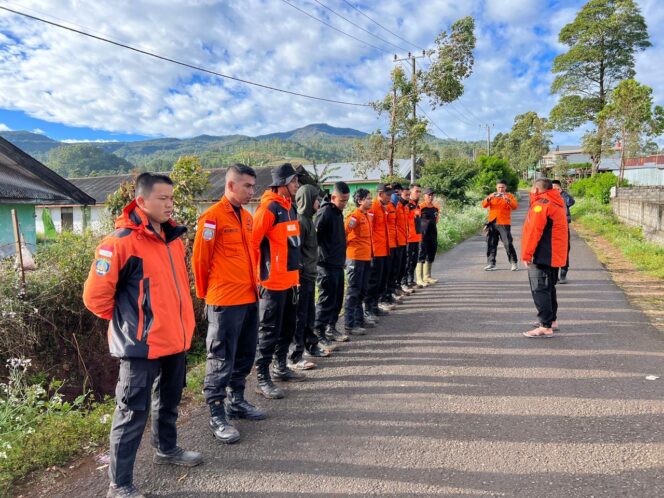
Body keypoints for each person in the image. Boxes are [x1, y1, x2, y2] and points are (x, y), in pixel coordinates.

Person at [83, 173, 202, 498]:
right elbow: (96, 299)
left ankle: (167, 449)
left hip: (174, 342)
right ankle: (119, 485)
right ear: (141, 201)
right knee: (132, 413)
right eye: (162, 198)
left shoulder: (173, 239)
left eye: (171, 198)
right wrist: (132, 324)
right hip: (140, 347)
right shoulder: (119, 243)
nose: (169, 204)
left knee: (169, 401)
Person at [192, 164, 265, 446]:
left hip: (248, 297)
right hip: (224, 300)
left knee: (246, 353)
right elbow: (200, 261)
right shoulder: (211, 218)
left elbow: (252, 255)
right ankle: (216, 415)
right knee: (220, 358)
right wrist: (207, 295)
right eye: (247, 186)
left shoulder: (246, 218)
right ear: (231, 185)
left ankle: (237, 401)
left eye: (253, 186)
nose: (252, 191)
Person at [252, 163, 303, 399]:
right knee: (269, 331)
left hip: (291, 281)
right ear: (282, 184)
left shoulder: (290, 208)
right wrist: (257, 278)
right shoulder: (268, 209)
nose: (297, 185)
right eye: (293, 181)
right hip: (272, 283)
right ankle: (262, 377)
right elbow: (253, 244)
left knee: (288, 328)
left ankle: (280, 367)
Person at [290, 184, 331, 369]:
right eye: (316, 199)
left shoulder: (308, 220)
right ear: (308, 200)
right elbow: (295, 252)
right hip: (302, 277)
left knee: (309, 314)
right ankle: (295, 356)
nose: (319, 202)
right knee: (299, 316)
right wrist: (298, 277)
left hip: (310, 274)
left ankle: (311, 346)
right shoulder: (300, 222)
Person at [521, 178, 569, 338]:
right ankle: (551, 320)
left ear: (536, 190)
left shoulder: (541, 205)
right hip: (554, 253)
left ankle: (545, 326)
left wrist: (527, 254)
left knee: (540, 289)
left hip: (543, 254)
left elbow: (534, 232)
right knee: (549, 288)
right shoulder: (557, 202)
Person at [314, 182, 351, 342]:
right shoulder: (325, 212)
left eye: (346, 201)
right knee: (326, 300)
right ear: (333, 197)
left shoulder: (337, 212)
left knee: (337, 299)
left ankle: (331, 328)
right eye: (342, 200)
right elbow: (314, 238)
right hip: (325, 265)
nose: (344, 204)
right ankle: (318, 332)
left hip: (337, 264)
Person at [344, 188, 374, 335]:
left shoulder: (367, 215)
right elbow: (344, 234)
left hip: (365, 258)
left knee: (362, 290)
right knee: (353, 292)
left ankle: (359, 321)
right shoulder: (354, 217)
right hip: (355, 259)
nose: (371, 200)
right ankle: (350, 324)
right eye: (368, 198)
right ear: (360, 201)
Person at [365, 183, 392, 321]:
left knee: (381, 280)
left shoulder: (383, 207)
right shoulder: (373, 207)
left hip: (384, 249)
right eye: (388, 194)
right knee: (373, 281)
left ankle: (375, 306)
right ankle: (368, 309)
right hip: (376, 250)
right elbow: (369, 229)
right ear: (380, 194)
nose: (390, 197)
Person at [482, 179, 519, 271]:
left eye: (502, 187)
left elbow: (515, 207)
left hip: (504, 223)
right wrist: (489, 198)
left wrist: (507, 199)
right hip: (492, 222)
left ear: (505, 187)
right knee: (491, 243)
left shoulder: (509, 196)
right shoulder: (492, 195)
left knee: (508, 243)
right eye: (499, 187)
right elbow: (484, 205)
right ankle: (491, 263)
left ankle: (514, 263)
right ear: (496, 187)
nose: (500, 189)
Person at [552, 180, 575, 283]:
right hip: (551, 228)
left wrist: (562, 192)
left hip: (564, 227)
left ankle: (563, 275)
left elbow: (570, 202)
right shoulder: (548, 198)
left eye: (556, 187)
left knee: (565, 250)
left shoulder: (564, 196)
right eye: (553, 187)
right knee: (553, 251)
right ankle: (554, 275)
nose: (555, 189)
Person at [417, 187, 440, 285]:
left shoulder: (436, 207)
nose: (431, 197)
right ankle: (419, 279)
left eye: (432, 195)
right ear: (424, 196)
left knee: (431, 254)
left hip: (433, 233)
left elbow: (436, 220)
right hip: (423, 233)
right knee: (421, 254)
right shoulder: (420, 206)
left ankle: (427, 276)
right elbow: (416, 221)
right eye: (429, 195)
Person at [392, 184, 412, 296]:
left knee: (402, 265)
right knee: (396, 267)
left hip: (404, 240)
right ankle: (394, 289)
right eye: (405, 195)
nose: (408, 197)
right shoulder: (396, 206)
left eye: (409, 195)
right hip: (396, 242)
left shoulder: (405, 206)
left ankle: (398, 286)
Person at [405, 184, 423, 288]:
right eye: (417, 191)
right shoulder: (407, 204)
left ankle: (411, 280)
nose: (419, 193)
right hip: (408, 238)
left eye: (420, 191)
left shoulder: (417, 205)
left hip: (416, 237)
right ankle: (405, 281)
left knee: (414, 260)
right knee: (407, 260)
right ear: (411, 192)